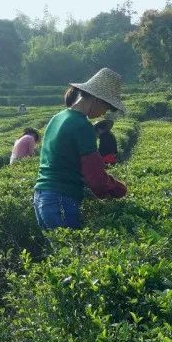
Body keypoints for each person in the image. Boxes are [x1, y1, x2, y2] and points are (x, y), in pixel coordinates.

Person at [33, 68, 128, 229]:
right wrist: (118, 188)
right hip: (61, 199)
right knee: (71, 250)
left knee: (59, 252)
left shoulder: (58, 117)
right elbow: (95, 178)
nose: (105, 112)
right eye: (108, 106)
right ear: (98, 99)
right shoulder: (82, 126)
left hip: (41, 196)